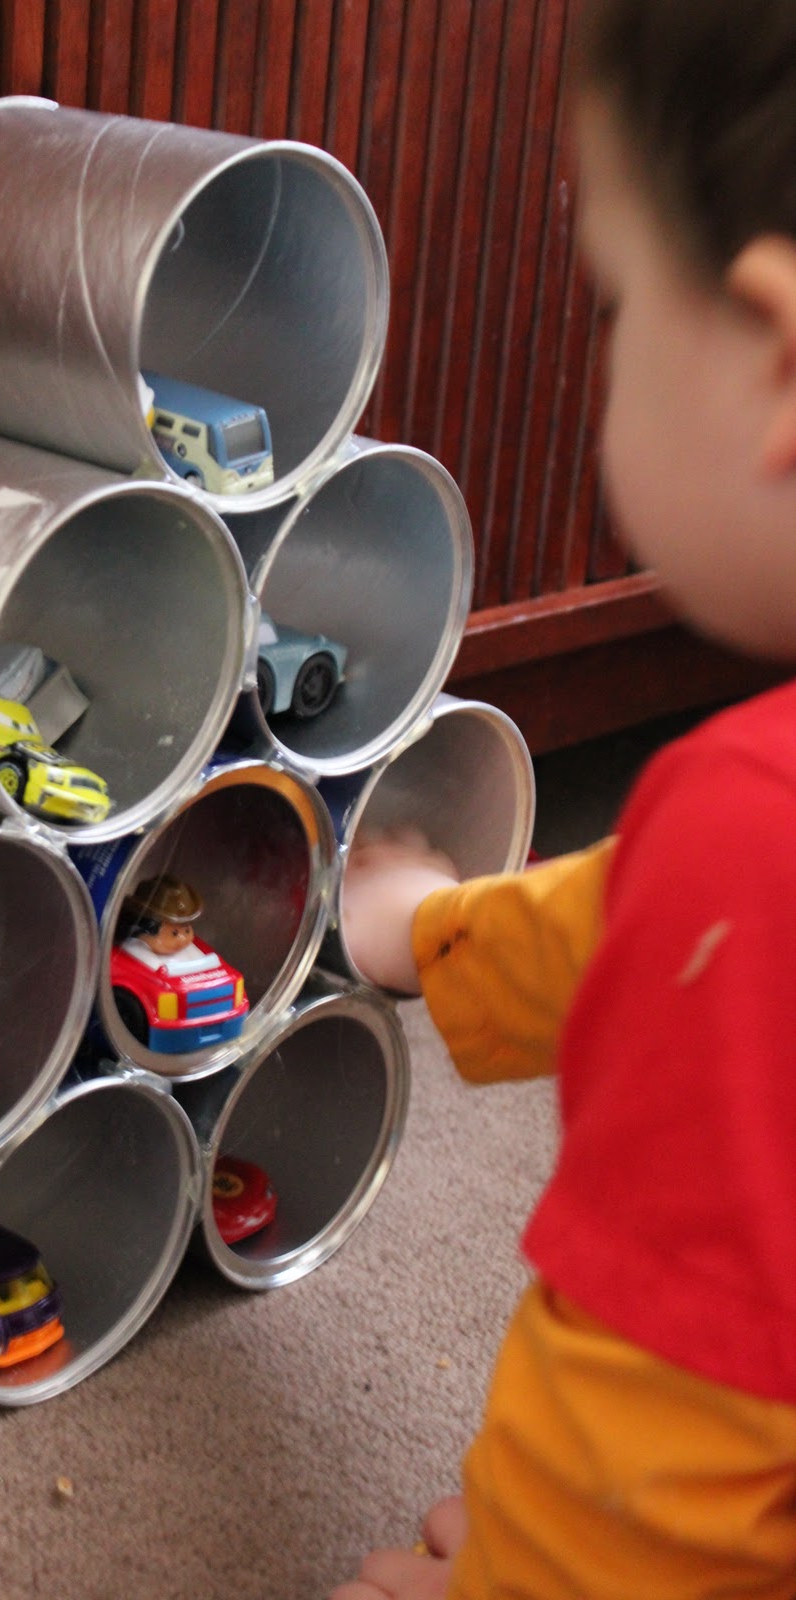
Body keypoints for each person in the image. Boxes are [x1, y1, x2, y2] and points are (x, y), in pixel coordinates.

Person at [331, 1, 796, 1594]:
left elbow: (664, 1454)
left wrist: (522, 1568)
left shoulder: (755, 826)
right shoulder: (744, 854)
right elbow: (656, 926)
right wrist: (438, 935)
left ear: (780, 361)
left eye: (613, 302)